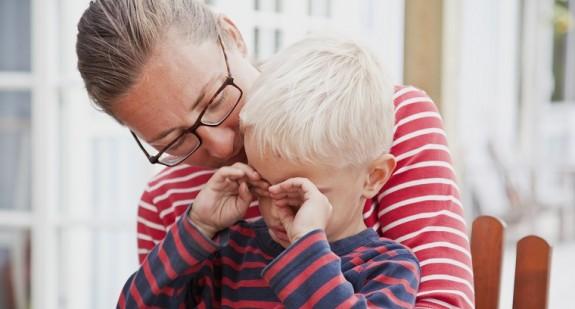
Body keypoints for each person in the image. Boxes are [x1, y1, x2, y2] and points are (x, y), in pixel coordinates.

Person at [76, 1, 473, 308]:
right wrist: (195, 230)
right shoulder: (170, 204)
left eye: (215, 99)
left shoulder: (387, 123)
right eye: (175, 140)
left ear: (233, 36)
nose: (219, 146)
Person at [118, 35, 420, 308]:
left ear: (374, 177)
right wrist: (198, 226)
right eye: (263, 185)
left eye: (299, 196)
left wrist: (307, 249)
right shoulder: (231, 256)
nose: (278, 212)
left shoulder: (389, 267)